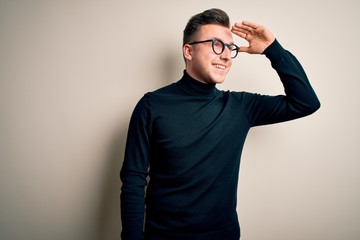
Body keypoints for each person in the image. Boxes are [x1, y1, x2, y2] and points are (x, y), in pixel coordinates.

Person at [120, 8, 320, 240]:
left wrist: (272, 49)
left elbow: (306, 102)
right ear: (189, 51)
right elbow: (133, 180)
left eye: (230, 48)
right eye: (216, 44)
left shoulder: (240, 107)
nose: (226, 55)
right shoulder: (152, 105)